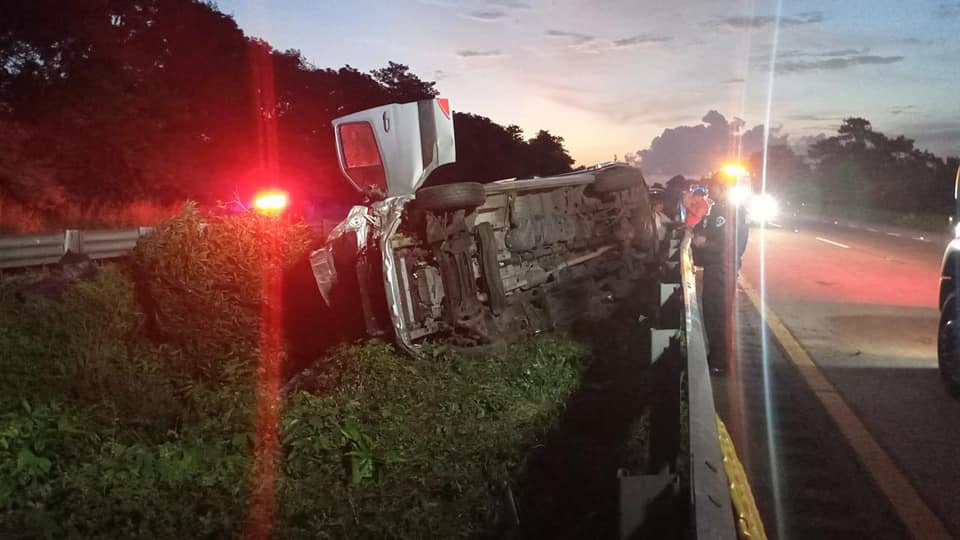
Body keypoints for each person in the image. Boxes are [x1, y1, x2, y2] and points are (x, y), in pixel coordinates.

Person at [693, 174, 748, 375]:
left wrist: (702, 243)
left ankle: (719, 362)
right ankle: (717, 357)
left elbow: (726, 245)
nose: (709, 191)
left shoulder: (728, 211)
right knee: (715, 313)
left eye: (712, 187)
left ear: (722, 187)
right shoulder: (725, 209)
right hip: (720, 267)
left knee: (716, 314)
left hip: (721, 268)